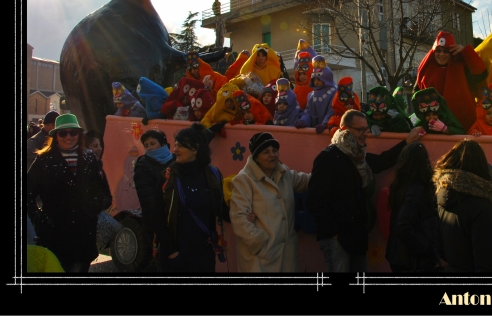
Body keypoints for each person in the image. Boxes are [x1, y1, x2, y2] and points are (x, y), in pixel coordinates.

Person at [306, 110, 424, 273]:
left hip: (357, 238)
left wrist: (407, 142)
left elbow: (382, 161)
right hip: (337, 239)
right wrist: (332, 234)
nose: (365, 134)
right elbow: (315, 199)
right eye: (360, 130)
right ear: (346, 130)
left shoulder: (359, 157)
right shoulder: (329, 158)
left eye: (366, 129)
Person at [27, 114, 112, 273]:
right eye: (63, 133)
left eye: (73, 132)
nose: (68, 137)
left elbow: (103, 192)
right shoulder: (44, 160)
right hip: (54, 234)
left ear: (79, 135)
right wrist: (39, 218)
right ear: (55, 136)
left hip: (84, 233)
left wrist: (94, 208)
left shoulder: (88, 157)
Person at [230, 132, 311, 272]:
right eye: (266, 152)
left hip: (287, 257)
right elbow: (239, 219)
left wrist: (326, 169)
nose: (272, 155)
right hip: (260, 260)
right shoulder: (244, 180)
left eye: (274, 150)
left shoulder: (283, 173)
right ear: (256, 157)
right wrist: (260, 243)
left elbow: (305, 181)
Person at [157, 123, 227, 273]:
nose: (175, 150)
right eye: (175, 145)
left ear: (195, 149)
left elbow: (222, 208)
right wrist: (171, 252)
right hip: (175, 255)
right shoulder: (167, 177)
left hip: (204, 254)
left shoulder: (213, 175)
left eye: (180, 146)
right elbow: (156, 217)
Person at [433, 139, 492, 273]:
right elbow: (488, 260)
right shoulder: (481, 206)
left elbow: (439, 246)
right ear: (481, 166)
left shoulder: (441, 198)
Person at [385, 142, 442, 273]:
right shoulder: (417, 189)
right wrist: (425, 247)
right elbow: (403, 225)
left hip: (400, 256)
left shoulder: (400, 184)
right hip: (413, 260)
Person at [414, 31, 487, 131]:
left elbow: (480, 74)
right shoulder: (427, 69)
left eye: (446, 51)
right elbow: (417, 94)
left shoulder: (461, 66)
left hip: (462, 123)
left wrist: (466, 52)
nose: (441, 54)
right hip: (434, 125)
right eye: (438, 51)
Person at [133, 129, 176, 267]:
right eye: (146, 145)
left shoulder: (177, 160)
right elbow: (147, 199)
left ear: (162, 143)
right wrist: (160, 223)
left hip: (178, 220)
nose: (150, 147)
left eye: (153, 143)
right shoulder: (143, 165)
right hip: (158, 223)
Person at [295, 55, 336, 132]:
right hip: (314, 130)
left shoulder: (334, 92)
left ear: (326, 78)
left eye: (319, 79)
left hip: (329, 131)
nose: (316, 82)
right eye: (314, 79)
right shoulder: (311, 95)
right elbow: (308, 111)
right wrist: (304, 121)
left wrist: (325, 123)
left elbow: (332, 110)